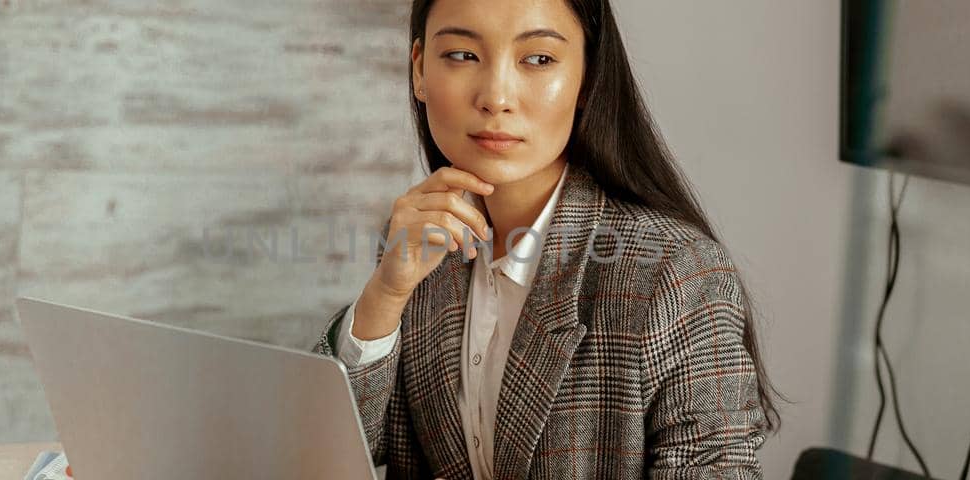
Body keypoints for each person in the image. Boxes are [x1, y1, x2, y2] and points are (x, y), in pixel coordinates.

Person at [313, 0, 778, 478]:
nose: (496, 96)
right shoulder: (423, 242)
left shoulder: (673, 272)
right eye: (462, 55)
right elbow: (324, 453)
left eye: (538, 59)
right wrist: (386, 295)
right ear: (419, 71)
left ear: (588, 78)